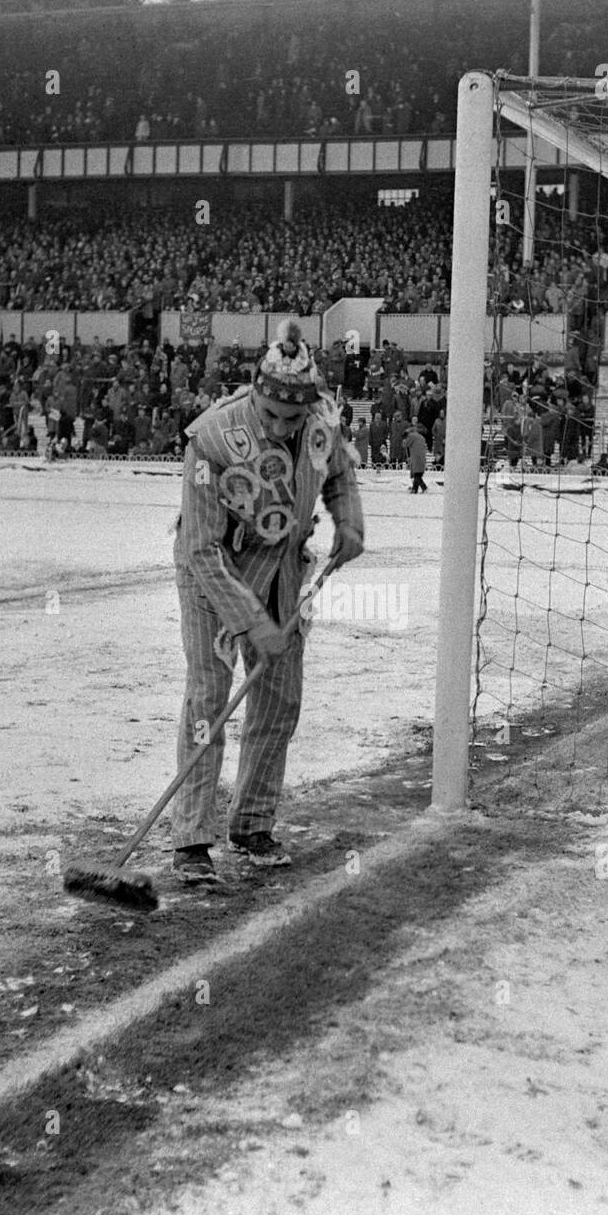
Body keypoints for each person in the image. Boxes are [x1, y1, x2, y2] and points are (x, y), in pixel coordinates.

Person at [169, 320, 365, 883]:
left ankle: (251, 822)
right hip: (215, 572)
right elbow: (200, 549)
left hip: (283, 567)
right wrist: (254, 625)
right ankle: (192, 838)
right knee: (209, 696)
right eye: (271, 415)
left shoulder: (322, 419)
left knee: (280, 698)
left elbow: (340, 473)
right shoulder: (210, 438)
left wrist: (348, 523)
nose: (282, 427)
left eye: (292, 419)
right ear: (255, 392)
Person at [405, 422, 428, 493]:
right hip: (422, 457)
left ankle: (424, 487)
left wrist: (404, 439)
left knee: (416, 475)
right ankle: (415, 489)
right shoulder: (422, 437)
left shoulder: (411, 436)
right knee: (418, 474)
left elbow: (406, 444)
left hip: (415, 457)